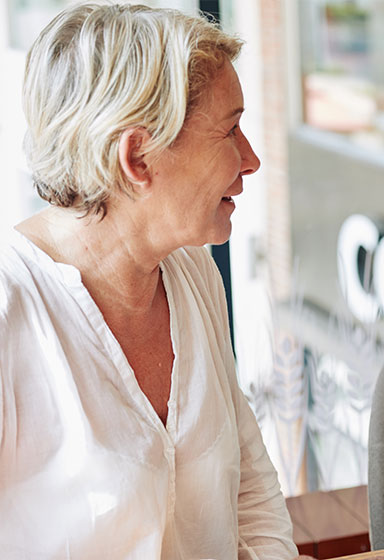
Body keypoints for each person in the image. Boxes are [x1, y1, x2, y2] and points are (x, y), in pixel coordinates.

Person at [0, 4, 311, 559]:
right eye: (231, 129)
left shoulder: (192, 272)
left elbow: (250, 492)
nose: (252, 159)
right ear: (138, 157)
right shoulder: (12, 310)